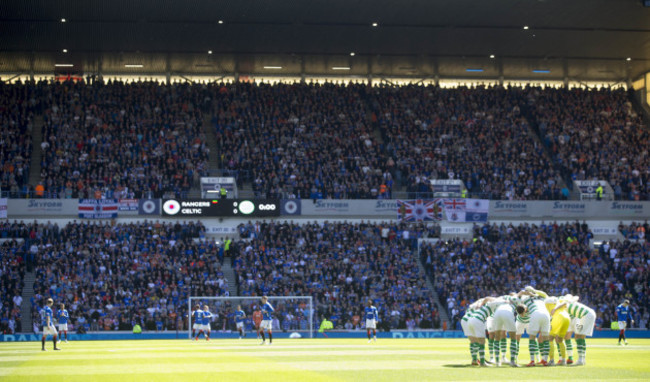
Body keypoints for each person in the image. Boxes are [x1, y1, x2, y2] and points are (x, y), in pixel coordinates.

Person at [552, 296, 596, 366]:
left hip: (585, 315)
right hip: (588, 314)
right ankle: (582, 359)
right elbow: (576, 297)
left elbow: (564, 303)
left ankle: (581, 360)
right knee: (579, 337)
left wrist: (554, 308)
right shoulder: (569, 302)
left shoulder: (565, 303)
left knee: (578, 337)